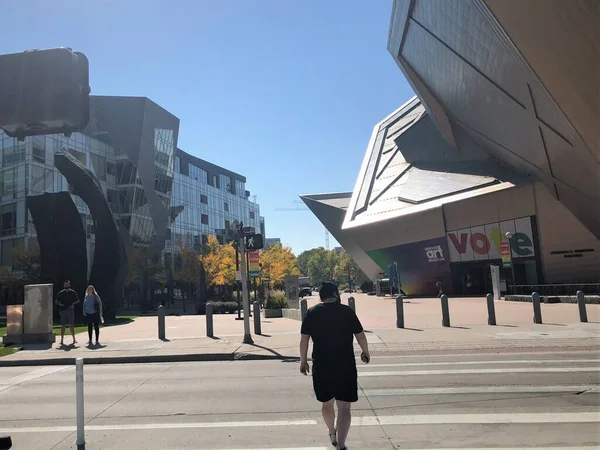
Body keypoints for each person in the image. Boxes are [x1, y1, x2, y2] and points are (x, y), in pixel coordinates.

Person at [299, 281, 370, 450]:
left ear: (321, 296)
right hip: (345, 364)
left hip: (322, 365)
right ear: (336, 295)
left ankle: (332, 431)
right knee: (345, 407)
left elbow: (304, 339)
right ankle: (342, 444)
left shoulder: (312, 312)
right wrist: (365, 352)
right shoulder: (346, 312)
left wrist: (303, 361)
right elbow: (360, 335)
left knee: (326, 403)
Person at [55, 280, 80, 346]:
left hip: (70, 310)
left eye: (67, 284)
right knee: (63, 325)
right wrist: (60, 304)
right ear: (64, 285)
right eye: (65, 284)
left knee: (71, 324)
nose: (66, 285)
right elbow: (56, 301)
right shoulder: (61, 293)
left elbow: (77, 300)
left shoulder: (72, 292)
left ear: (69, 285)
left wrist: (73, 304)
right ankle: (62, 340)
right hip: (62, 310)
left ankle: (74, 339)